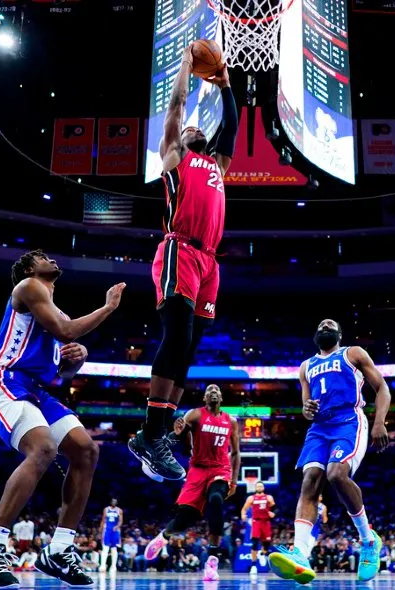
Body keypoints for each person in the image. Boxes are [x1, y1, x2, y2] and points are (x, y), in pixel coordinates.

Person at [0, 250, 125, 589]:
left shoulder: (55, 310)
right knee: (43, 448)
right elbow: (67, 331)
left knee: (86, 450)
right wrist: (108, 308)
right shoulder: (29, 286)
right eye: (42, 257)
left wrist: (76, 361)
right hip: (5, 380)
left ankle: (59, 549)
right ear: (28, 268)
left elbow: (62, 373)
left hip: (37, 389)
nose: (51, 260)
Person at [129, 42, 239, 483]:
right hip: (180, 249)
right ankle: (152, 432)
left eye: (198, 127)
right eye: (189, 126)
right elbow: (175, 107)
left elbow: (231, 126)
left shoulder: (218, 164)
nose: (193, 126)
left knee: (191, 346)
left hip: (210, 262)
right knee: (177, 335)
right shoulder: (176, 156)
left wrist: (226, 85)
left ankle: (155, 433)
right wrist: (184, 67)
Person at [269, 320, 391, 584]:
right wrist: (306, 409)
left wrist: (379, 422)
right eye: (321, 324)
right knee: (310, 480)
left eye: (330, 324)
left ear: (339, 334)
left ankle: (369, 540)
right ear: (315, 335)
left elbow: (382, 388)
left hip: (348, 421)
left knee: (336, 474)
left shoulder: (352, 353)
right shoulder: (306, 366)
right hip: (319, 428)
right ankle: (300, 553)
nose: (325, 325)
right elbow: (306, 406)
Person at [143, 384, 241, 582]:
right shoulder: (194, 415)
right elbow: (176, 437)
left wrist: (234, 481)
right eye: (209, 390)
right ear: (204, 398)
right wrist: (176, 433)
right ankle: (164, 536)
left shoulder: (231, 421)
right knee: (183, 520)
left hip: (220, 470)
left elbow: (236, 453)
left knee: (216, 499)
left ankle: (212, 560)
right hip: (197, 470)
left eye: (216, 390)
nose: (213, 391)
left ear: (221, 397)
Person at [241, 481, 275, 573]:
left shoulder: (269, 497)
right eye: (258, 486)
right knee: (255, 543)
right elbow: (244, 509)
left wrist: (273, 513)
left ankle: (262, 554)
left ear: (263, 488)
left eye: (261, 486)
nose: (259, 488)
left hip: (266, 522)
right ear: (255, 488)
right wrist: (243, 515)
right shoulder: (251, 498)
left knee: (266, 543)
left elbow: (275, 508)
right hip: (256, 522)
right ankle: (253, 566)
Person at [99, 498, 123, 574]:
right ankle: (103, 566)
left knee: (114, 549)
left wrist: (117, 526)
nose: (114, 502)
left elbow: (121, 521)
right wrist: (100, 530)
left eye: (115, 501)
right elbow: (103, 520)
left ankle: (113, 566)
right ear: (110, 502)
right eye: (113, 501)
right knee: (105, 548)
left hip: (115, 531)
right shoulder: (106, 509)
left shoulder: (119, 510)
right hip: (107, 530)